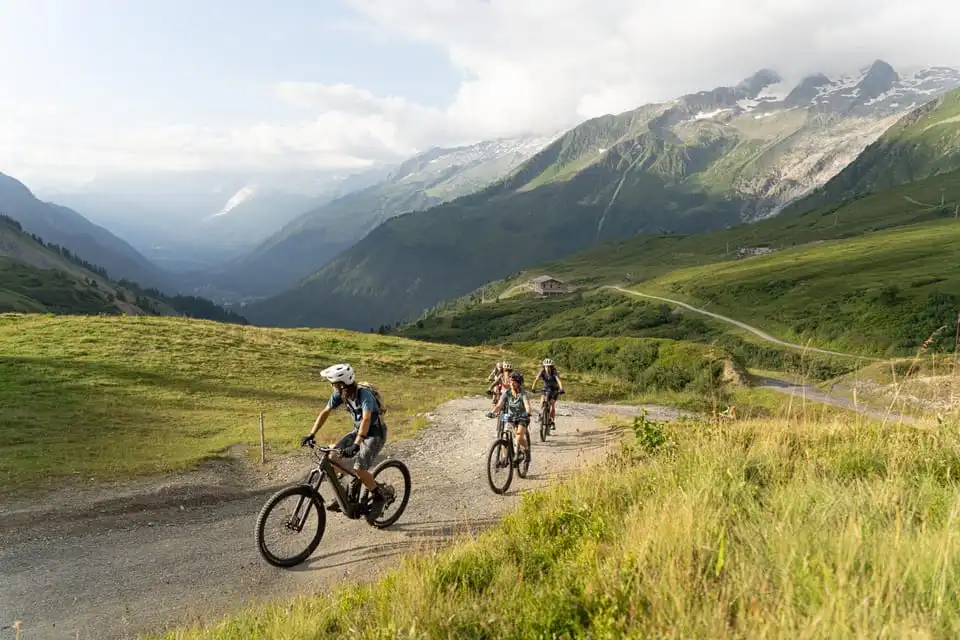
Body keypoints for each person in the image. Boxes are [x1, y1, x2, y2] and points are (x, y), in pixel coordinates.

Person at [300, 363, 387, 516]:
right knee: (332, 457)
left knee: (360, 469)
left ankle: (379, 496)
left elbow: (366, 420)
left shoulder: (365, 395)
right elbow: (325, 412)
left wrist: (356, 444)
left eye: (333, 384)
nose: (332, 387)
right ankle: (343, 494)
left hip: (375, 434)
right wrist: (311, 434)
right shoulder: (341, 394)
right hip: (358, 430)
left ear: (342, 384)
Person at [489, 371, 532, 465]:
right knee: (505, 436)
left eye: (514, 381)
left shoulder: (523, 393)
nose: (512, 383)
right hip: (510, 416)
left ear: (519, 383)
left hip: (522, 417)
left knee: (519, 437)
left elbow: (527, 405)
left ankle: (526, 451)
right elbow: (499, 406)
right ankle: (504, 457)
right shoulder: (507, 393)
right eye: (511, 381)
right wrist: (492, 413)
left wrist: (528, 412)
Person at [532, 358, 564, 428]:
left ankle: (552, 420)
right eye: (546, 366)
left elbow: (558, 380)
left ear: (551, 367)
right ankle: (540, 414)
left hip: (554, 389)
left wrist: (561, 388)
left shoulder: (554, 372)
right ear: (544, 366)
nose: (547, 368)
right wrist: (533, 387)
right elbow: (536, 379)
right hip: (546, 388)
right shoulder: (542, 371)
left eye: (549, 366)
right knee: (542, 401)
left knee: (552, 404)